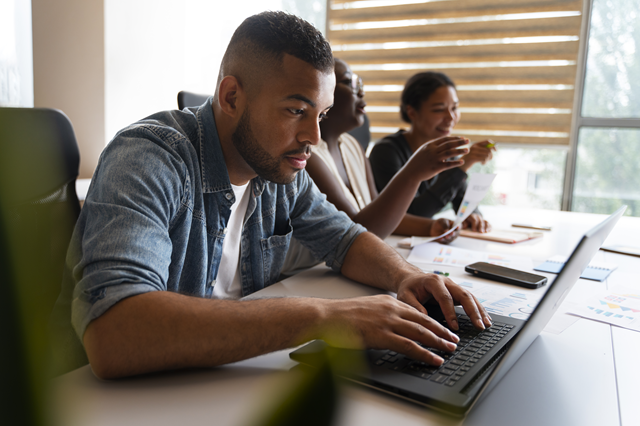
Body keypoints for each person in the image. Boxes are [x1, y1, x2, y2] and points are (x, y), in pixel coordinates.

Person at [52, 12, 491, 380]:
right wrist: (325, 317)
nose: (312, 137)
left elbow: (345, 238)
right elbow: (115, 332)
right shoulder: (148, 159)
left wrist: (403, 276)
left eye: (319, 115)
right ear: (230, 96)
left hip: (221, 381)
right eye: (296, 111)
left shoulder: (277, 171)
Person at [305, 58, 468, 241]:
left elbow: (380, 212)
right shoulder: (308, 157)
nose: (361, 91)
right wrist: (413, 172)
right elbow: (355, 234)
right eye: (350, 82)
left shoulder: (353, 146)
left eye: (360, 83)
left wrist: (431, 226)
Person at [369, 71, 496, 232]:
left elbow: (462, 203)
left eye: (454, 108)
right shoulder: (386, 152)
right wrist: (461, 167)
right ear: (412, 112)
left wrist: (472, 216)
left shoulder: (447, 152)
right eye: (439, 110)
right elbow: (411, 215)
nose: (451, 117)